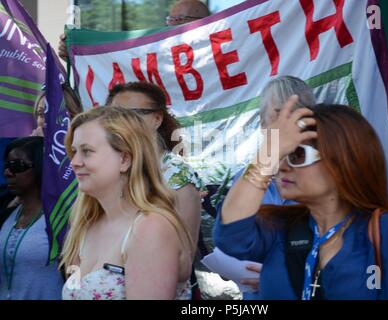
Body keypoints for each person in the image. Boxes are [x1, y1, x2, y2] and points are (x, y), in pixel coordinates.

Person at [214, 101, 388, 300]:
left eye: (297, 155)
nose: (282, 166)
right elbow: (231, 235)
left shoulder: (384, 230)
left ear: (342, 161)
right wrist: (267, 154)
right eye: (282, 156)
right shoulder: (281, 227)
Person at [61, 107, 194, 300]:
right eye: (74, 152)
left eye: (87, 151)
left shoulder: (151, 227)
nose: (74, 162)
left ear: (124, 159)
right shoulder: (86, 224)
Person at [215, 76, 316, 299]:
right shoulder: (247, 179)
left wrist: (277, 276)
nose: (289, 124)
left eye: (298, 113)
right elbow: (229, 240)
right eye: (280, 115)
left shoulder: (323, 174)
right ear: (262, 123)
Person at [106, 82, 202, 249]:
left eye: (132, 114)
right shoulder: (105, 169)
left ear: (157, 119)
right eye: (114, 115)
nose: (121, 122)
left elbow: (184, 253)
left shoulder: (177, 174)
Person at [0, 137, 64, 300]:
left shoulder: (62, 218)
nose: (7, 172)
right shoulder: (7, 213)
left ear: (41, 167)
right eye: (7, 166)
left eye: (17, 166)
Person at [58, 0, 210, 61]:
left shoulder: (214, 53)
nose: (172, 26)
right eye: (170, 20)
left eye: (180, 19)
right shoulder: (156, 54)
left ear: (203, 24)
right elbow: (122, 65)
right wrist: (80, 56)